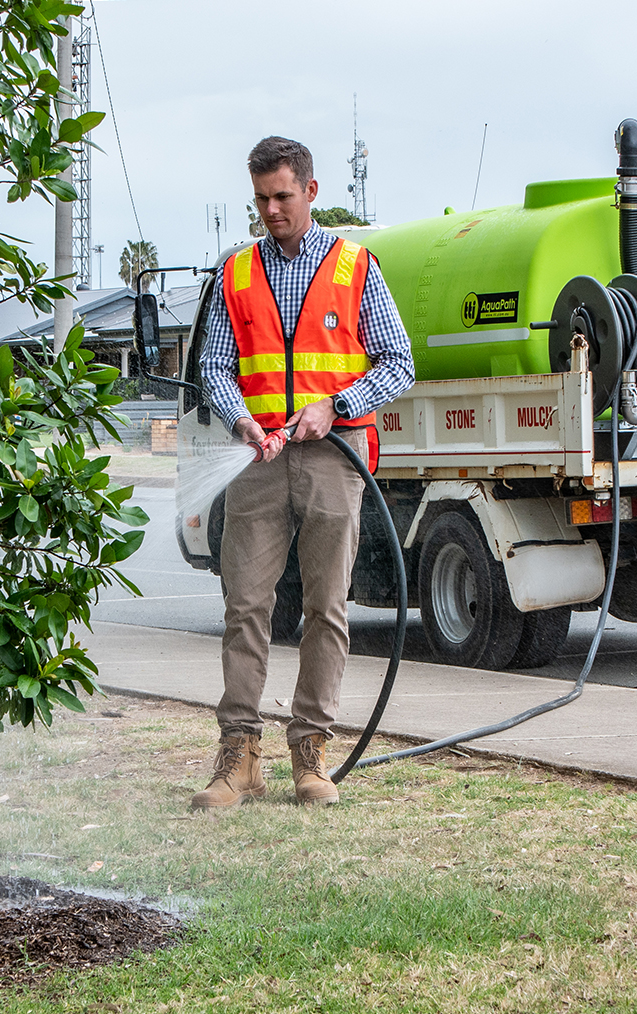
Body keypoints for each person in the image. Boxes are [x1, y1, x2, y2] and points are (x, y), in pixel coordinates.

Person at [191, 136, 414, 809]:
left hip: (331, 458)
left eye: (282, 196)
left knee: (326, 608)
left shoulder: (356, 267)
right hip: (257, 459)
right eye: (261, 198)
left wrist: (336, 406)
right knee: (246, 607)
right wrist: (241, 419)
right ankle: (239, 759)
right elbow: (213, 367)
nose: (271, 209)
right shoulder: (236, 274)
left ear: (311, 192)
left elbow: (398, 363)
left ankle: (310, 752)